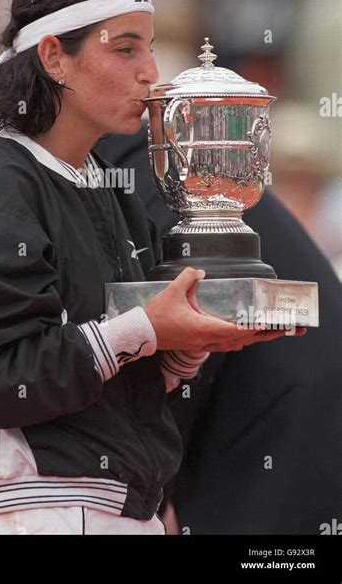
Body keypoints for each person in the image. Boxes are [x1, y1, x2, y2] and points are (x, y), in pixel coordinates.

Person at [0, 0, 304, 536]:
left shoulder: (111, 193)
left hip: (116, 510)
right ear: (53, 57)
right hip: (34, 516)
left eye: (149, 46)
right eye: (125, 49)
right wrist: (146, 329)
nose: (151, 71)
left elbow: (120, 377)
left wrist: (187, 343)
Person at [96, 124, 342, 535]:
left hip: (275, 437)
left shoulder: (157, 182)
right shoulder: (168, 170)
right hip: (288, 420)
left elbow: (193, 330)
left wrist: (155, 492)